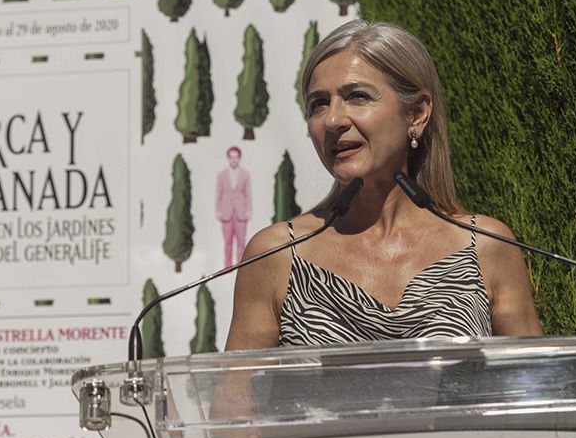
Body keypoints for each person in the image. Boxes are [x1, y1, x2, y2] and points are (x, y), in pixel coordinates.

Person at [225, 20, 542, 351]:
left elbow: (535, 390)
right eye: (318, 103)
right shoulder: (276, 255)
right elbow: (234, 401)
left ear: (417, 113)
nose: (332, 120)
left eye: (357, 96)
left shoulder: (487, 247)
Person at [216, 146, 252, 268]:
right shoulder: (221, 175)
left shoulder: (245, 174)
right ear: (228, 158)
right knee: (227, 242)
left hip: (241, 213)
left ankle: (240, 267)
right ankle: (227, 266)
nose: (233, 160)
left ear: (239, 158)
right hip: (226, 213)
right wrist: (218, 210)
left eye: (236, 157)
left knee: (241, 242)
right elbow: (218, 193)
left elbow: (248, 194)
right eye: (231, 157)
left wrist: (248, 210)